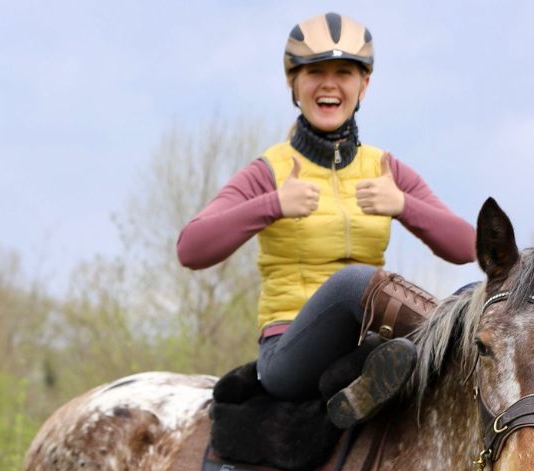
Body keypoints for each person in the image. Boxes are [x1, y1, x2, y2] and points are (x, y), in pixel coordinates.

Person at [177, 12, 475, 428]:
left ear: (364, 85)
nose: (329, 83)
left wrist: (403, 203)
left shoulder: (386, 170)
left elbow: (467, 247)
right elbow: (191, 248)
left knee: (477, 294)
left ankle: (404, 367)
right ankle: (458, 350)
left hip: (368, 349)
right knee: (353, 282)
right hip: (288, 355)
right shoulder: (269, 171)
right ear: (293, 84)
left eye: (344, 72)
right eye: (314, 71)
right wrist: (273, 204)